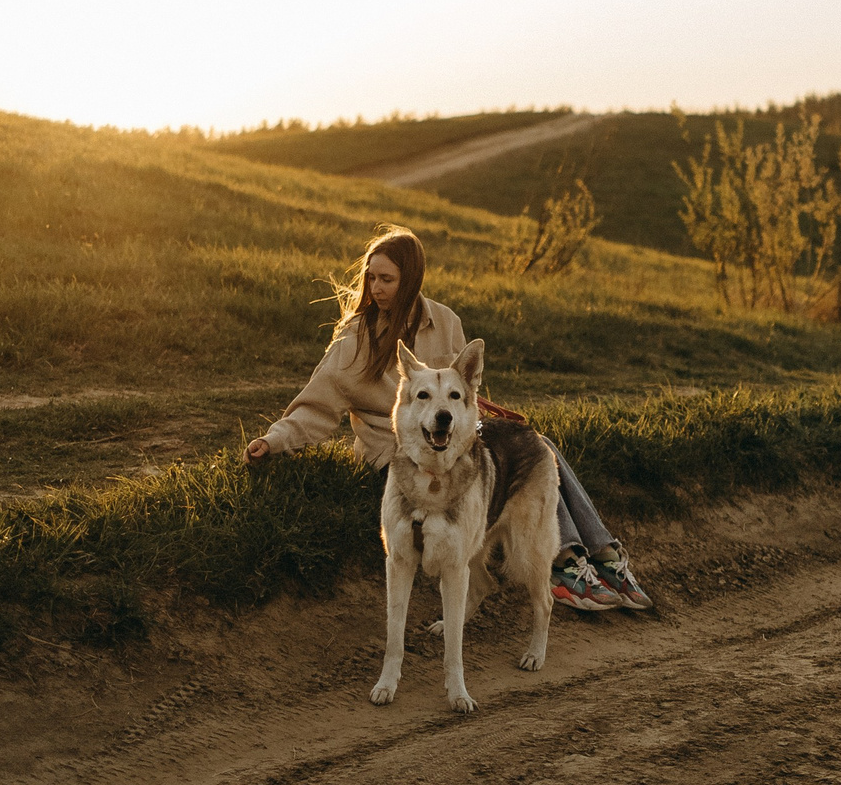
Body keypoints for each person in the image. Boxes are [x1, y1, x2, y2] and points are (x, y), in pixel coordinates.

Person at [246, 224, 651, 612]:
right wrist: (274, 441)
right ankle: (565, 567)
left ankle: (604, 556)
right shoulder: (352, 344)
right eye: (371, 278)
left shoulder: (446, 322)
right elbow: (313, 408)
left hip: (455, 444)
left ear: (411, 279)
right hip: (401, 458)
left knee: (536, 448)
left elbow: (464, 396)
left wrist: (483, 427)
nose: (376, 288)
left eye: (386, 279)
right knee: (522, 462)